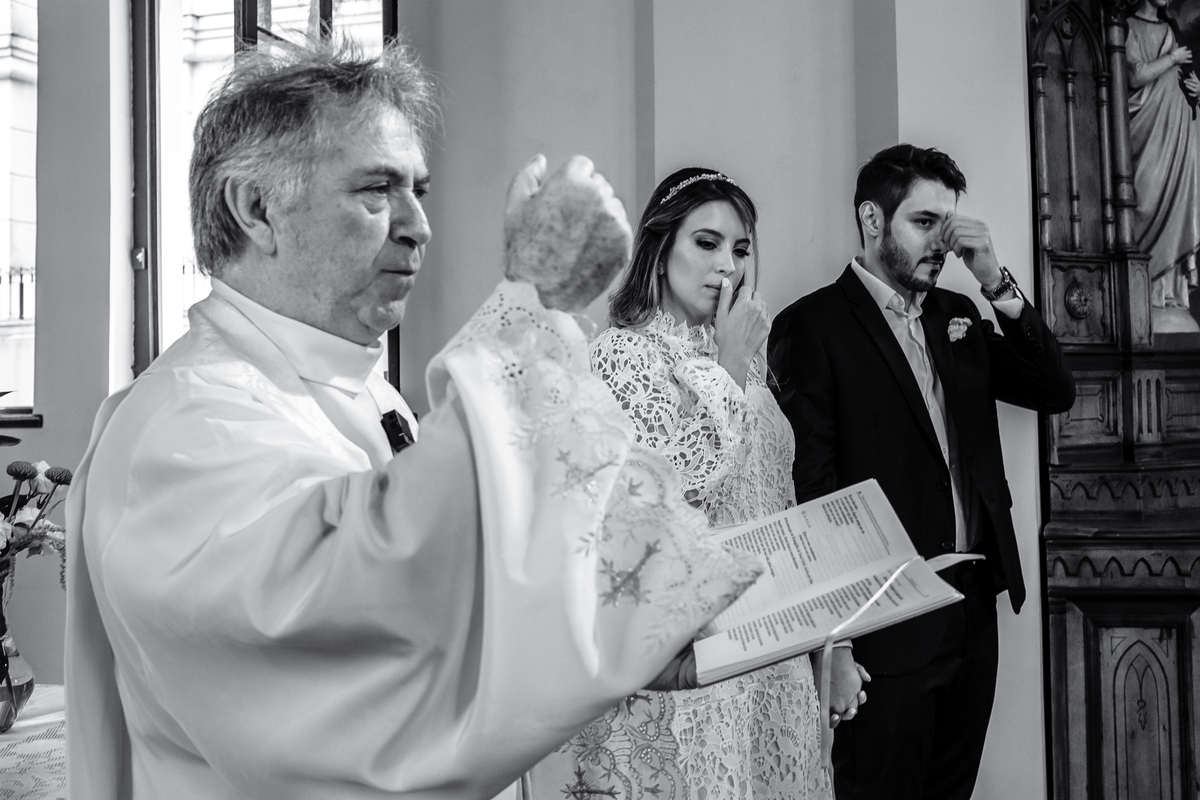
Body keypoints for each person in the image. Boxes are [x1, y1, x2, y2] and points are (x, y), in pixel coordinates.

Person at [64, 41, 762, 800]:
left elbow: (462, 587)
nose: (420, 225)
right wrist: (535, 308)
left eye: (418, 191)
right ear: (255, 208)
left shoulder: (364, 389)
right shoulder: (183, 426)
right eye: (376, 190)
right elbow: (360, 619)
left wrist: (618, 628)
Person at [767, 144, 1075, 800]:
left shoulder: (957, 314)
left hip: (973, 611)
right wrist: (838, 643)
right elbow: (810, 492)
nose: (943, 241)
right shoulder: (812, 327)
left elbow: (1052, 388)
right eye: (925, 222)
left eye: (950, 224)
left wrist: (996, 280)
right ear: (873, 221)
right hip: (884, 628)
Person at [531, 168, 850, 800]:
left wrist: (832, 645)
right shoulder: (622, 355)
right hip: (689, 661)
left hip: (773, 655)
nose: (726, 267)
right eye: (706, 243)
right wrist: (724, 368)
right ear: (659, 248)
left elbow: (779, 510)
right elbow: (670, 495)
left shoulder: (749, 365)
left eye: (739, 249)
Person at [1126, 0, 1200, 333]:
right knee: (1146, 201)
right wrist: (1171, 58)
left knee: (1180, 202)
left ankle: (1170, 296)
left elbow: (1182, 80)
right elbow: (1135, 74)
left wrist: (1196, 91)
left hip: (1178, 133)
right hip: (1147, 132)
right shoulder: (1127, 27)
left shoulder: (1169, 29)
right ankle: (1143, 294)